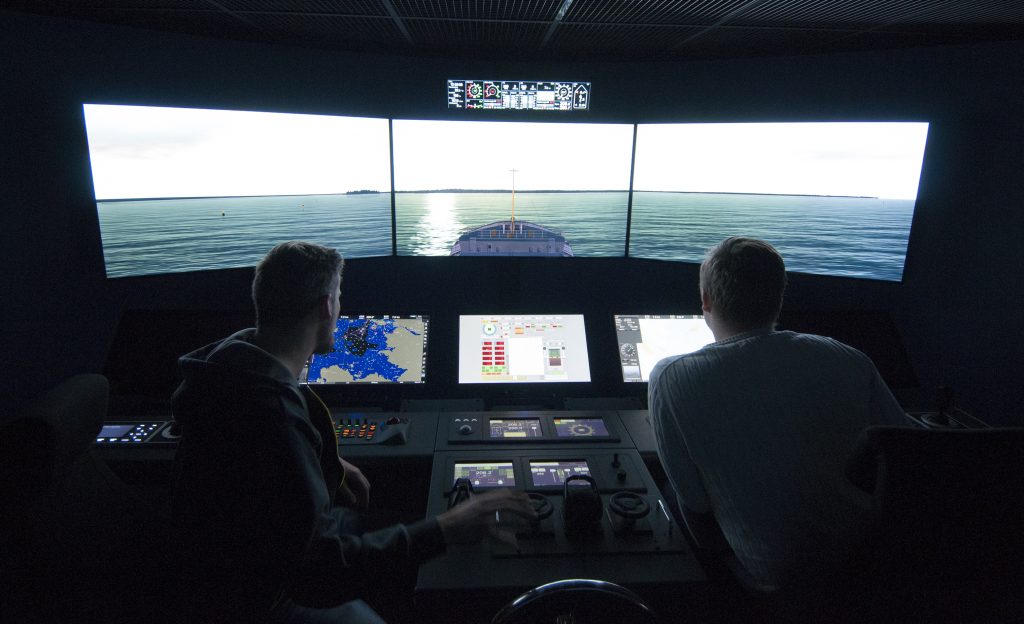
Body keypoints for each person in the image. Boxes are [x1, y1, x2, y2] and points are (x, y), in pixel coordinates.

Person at [170, 241, 535, 623]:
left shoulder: (231, 370)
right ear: (328, 306)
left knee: (392, 516)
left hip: (225, 566)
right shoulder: (272, 414)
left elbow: (256, 463)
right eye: (339, 297)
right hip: (262, 598)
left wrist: (324, 459)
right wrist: (445, 529)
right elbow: (317, 574)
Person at [648, 237, 911, 592]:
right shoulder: (846, 357)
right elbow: (907, 450)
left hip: (778, 579)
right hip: (876, 567)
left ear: (706, 301)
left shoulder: (670, 377)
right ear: (779, 298)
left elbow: (695, 503)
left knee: (666, 490)